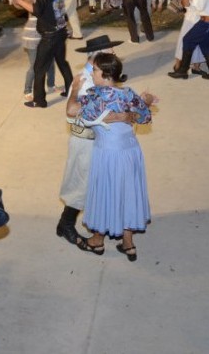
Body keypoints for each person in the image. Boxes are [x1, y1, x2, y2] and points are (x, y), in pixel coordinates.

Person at [65, 53, 156, 262]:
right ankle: (128, 243)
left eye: (94, 70)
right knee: (127, 192)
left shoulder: (95, 96)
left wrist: (75, 89)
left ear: (105, 74)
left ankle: (97, 240)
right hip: (130, 151)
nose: (92, 74)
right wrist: (144, 104)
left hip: (107, 153)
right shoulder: (127, 94)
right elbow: (144, 117)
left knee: (106, 192)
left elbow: (71, 111)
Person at [56, 36, 130, 247]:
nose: (114, 54)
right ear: (98, 56)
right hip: (86, 141)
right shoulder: (86, 81)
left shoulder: (96, 76)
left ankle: (96, 225)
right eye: (111, 51)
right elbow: (74, 113)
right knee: (80, 183)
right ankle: (66, 224)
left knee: (92, 184)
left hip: (99, 141)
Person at [9, 0, 74, 108]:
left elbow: (37, 11)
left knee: (39, 68)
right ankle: (70, 90)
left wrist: (19, 0)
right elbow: (62, 13)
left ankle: (40, 101)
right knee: (62, 62)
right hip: (61, 33)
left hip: (49, 36)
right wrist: (18, 1)